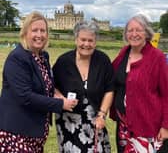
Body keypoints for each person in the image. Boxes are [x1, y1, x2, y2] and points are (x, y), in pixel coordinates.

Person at [0, 11, 78, 153]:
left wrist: (57, 94)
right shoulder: (17, 58)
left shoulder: (43, 56)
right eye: (34, 30)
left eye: (43, 30)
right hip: (17, 132)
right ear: (25, 33)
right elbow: (25, 96)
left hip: (35, 131)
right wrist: (61, 104)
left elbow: (46, 84)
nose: (39, 35)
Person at [52, 21, 114, 152]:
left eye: (90, 40)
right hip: (68, 123)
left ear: (95, 42)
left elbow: (109, 89)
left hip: (96, 122)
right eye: (83, 39)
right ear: (76, 40)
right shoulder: (64, 61)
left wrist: (102, 114)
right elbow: (51, 85)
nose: (86, 44)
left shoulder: (103, 60)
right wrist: (61, 99)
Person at [110, 14, 168, 153]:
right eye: (130, 30)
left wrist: (166, 126)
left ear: (147, 33)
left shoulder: (157, 57)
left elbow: (167, 93)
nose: (134, 34)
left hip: (148, 127)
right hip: (124, 127)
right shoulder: (124, 53)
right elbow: (111, 78)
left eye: (138, 30)